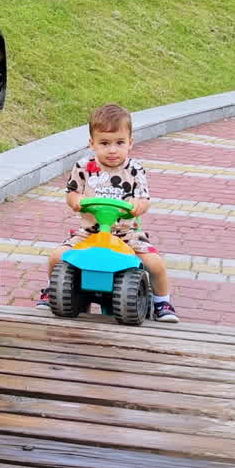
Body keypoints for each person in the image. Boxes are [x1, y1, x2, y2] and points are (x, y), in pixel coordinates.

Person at [37, 103, 179, 322]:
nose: (112, 150)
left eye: (119, 143)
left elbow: (144, 199)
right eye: (104, 143)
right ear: (92, 143)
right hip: (90, 233)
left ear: (130, 143)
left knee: (155, 263)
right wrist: (77, 201)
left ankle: (162, 302)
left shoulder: (134, 169)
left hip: (126, 234)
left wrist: (137, 205)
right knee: (57, 256)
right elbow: (71, 193)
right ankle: (52, 290)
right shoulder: (84, 167)